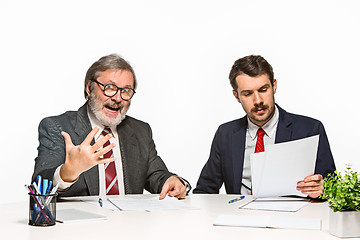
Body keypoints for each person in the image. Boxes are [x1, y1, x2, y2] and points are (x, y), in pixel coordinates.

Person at [32, 54, 190, 199]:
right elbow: (39, 183)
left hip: (130, 225)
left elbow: (157, 175)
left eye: (126, 91)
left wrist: (172, 181)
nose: (117, 98)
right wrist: (68, 172)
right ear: (89, 88)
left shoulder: (141, 130)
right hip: (80, 228)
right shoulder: (57, 126)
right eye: (110, 88)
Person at [193, 55, 335, 198]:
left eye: (263, 90)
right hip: (239, 217)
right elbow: (204, 192)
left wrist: (324, 189)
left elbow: (334, 188)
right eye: (248, 94)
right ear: (237, 96)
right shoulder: (226, 134)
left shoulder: (310, 130)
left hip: (291, 218)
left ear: (274, 86)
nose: (258, 100)